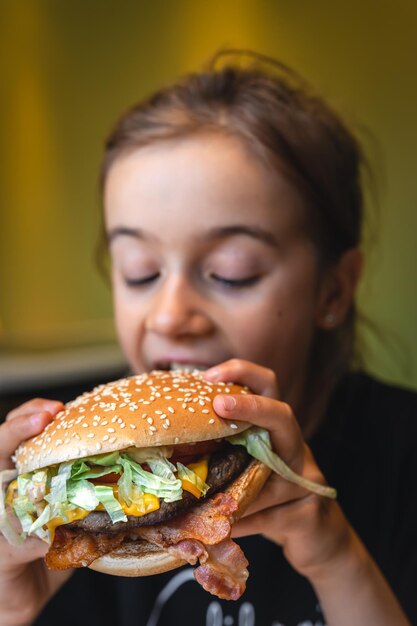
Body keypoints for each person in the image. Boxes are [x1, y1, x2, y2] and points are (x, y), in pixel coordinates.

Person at [1, 50, 416, 626]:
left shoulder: (402, 458)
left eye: (231, 272)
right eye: (140, 270)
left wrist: (337, 558)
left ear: (334, 291)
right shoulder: (66, 524)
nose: (169, 316)